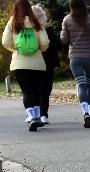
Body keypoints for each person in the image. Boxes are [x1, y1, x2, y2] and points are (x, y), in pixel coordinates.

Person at [2, 0, 49, 132]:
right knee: (36, 91)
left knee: (27, 91)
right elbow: (45, 42)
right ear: (29, 8)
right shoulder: (36, 21)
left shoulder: (13, 21)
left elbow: (5, 41)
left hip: (19, 63)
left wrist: (16, 49)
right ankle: (38, 117)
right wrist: (38, 49)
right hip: (37, 63)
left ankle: (32, 117)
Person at [60, 0, 90, 128]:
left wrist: (66, 35)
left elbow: (63, 39)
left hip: (75, 57)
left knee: (81, 84)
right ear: (83, 5)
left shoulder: (67, 19)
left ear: (71, 6)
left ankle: (85, 112)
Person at [31, 4, 61, 124]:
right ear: (43, 17)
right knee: (45, 90)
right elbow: (58, 45)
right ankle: (44, 115)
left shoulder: (28, 32)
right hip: (48, 63)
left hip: (32, 63)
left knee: (33, 89)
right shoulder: (48, 30)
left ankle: (34, 114)